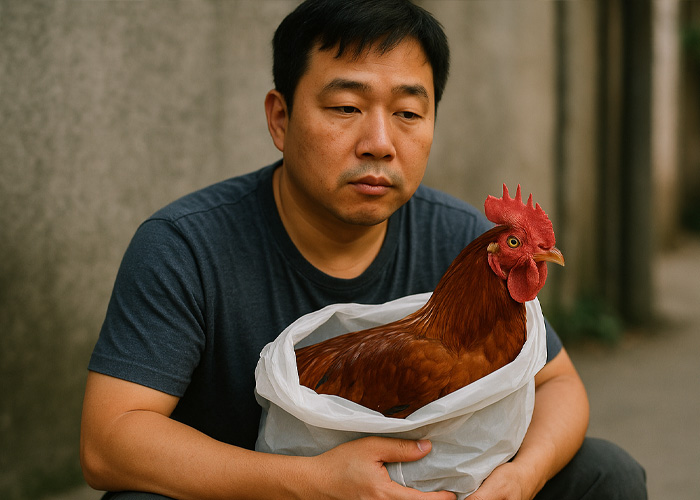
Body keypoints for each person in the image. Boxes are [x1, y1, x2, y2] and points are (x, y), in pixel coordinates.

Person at [80, 1, 647, 499]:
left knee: (605, 474)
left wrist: (520, 478)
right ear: (280, 118)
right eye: (347, 107)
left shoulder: (463, 239)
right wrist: (313, 483)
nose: (379, 143)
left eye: (407, 113)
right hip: (259, 495)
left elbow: (558, 384)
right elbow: (110, 442)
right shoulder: (185, 246)